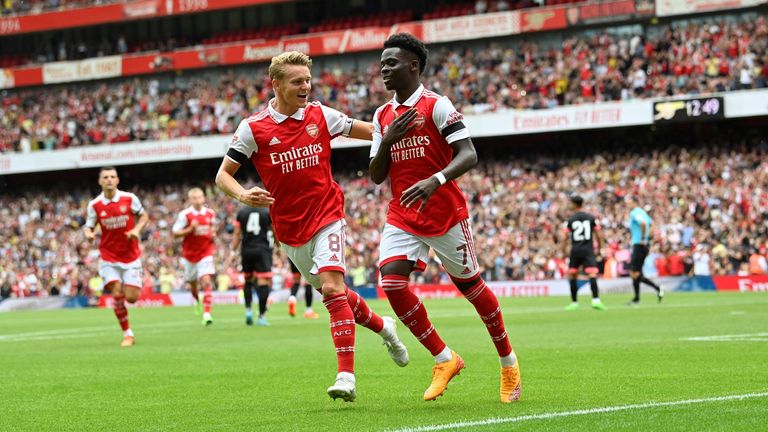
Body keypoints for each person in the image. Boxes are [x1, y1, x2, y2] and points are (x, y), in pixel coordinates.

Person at [215, 51, 408, 402]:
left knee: (334, 289)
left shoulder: (322, 115)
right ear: (276, 84)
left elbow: (367, 131)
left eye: (307, 79)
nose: (306, 86)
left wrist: (396, 134)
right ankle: (384, 327)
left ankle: (346, 376)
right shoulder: (253, 128)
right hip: (289, 231)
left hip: (328, 214)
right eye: (297, 81)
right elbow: (222, 176)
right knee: (337, 295)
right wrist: (243, 195)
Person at [369, 33, 521, 403]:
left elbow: (469, 154)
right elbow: (375, 174)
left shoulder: (437, 105)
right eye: (382, 63)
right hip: (403, 214)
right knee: (391, 284)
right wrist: (387, 140)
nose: (384, 69)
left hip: (445, 213)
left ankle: (508, 363)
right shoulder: (382, 115)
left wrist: (435, 179)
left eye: (392, 63)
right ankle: (444, 358)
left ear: (413, 66)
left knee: (472, 289)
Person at [83, 167, 148, 347]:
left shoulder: (129, 199)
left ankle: (128, 330)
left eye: (112, 177)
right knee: (117, 292)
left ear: (118, 180)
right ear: (100, 181)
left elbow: (144, 216)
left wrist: (136, 229)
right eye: (106, 177)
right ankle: (128, 334)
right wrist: (88, 233)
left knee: (132, 297)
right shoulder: (94, 205)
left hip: (131, 256)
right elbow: (88, 226)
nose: (109, 180)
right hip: (108, 256)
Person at [172, 187, 218, 326]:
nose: (198, 200)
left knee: (206, 281)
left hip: (206, 253)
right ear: (190, 200)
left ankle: (207, 313)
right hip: (189, 256)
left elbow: (212, 229)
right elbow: (175, 234)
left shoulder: (210, 213)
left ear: (203, 198)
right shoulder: (185, 215)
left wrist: (213, 234)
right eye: (194, 198)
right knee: (193, 285)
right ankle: (197, 300)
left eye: (200, 197)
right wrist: (190, 229)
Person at [232, 204, 274, 326]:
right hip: (262, 249)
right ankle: (261, 316)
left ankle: (248, 311)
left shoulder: (242, 212)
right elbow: (274, 229)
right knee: (263, 282)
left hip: (246, 250)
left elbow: (237, 233)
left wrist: (233, 251)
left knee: (248, 280)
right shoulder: (266, 212)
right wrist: (278, 244)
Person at [562, 195, 605, 311]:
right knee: (592, 274)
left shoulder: (571, 220)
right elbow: (598, 235)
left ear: (575, 204)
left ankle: (574, 302)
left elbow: (565, 237)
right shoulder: (590, 218)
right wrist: (600, 249)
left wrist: (563, 250)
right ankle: (596, 300)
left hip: (575, 250)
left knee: (572, 275)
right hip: (588, 249)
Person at [626, 197, 663, 304]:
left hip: (639, 244)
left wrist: (642, 238)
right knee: (636, 272)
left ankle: (657, 289)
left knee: (634, 273)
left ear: (634, 202)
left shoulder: (635, 213)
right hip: (643, 244)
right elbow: (650, 225)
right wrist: (647, 237)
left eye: (629, 202)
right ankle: (637, 298)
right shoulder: (643, 212)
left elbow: (642, 224)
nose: (627, 205)